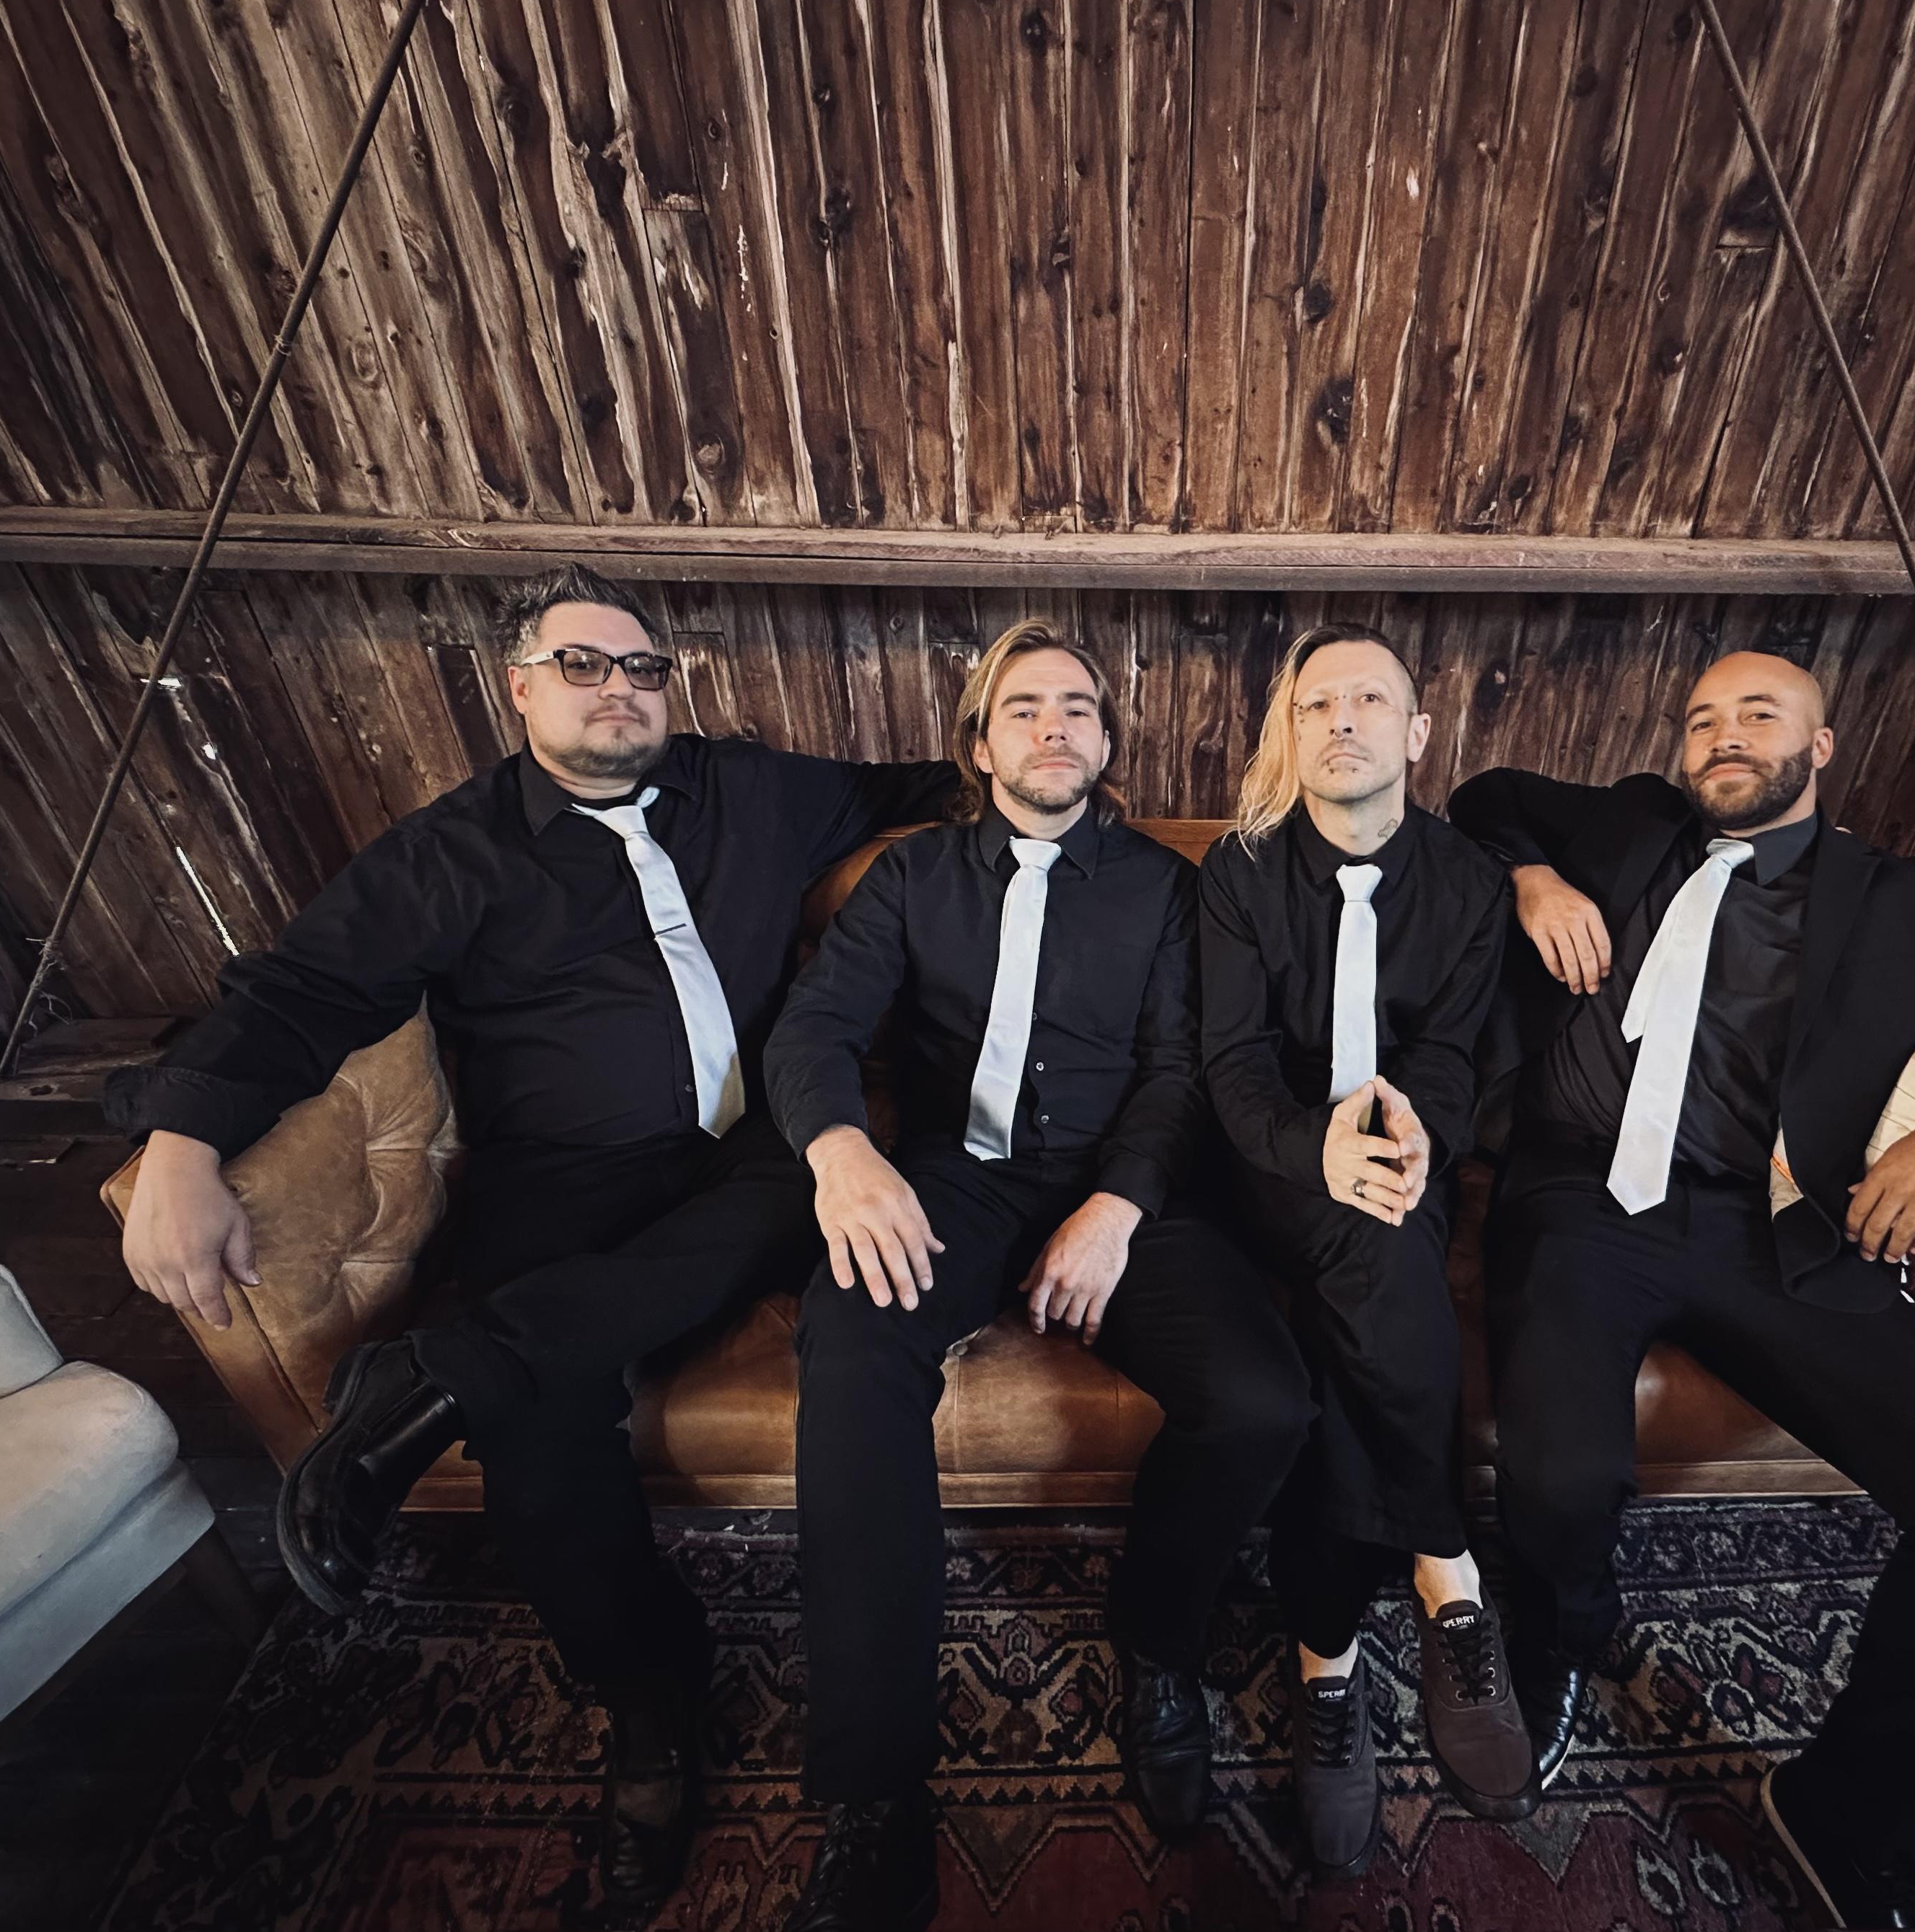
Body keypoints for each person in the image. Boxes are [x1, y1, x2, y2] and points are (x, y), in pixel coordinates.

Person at [106, 564, 955, 1911]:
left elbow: (925, 782)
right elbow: (299, 993)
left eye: (642, 667)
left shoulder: (754, 789)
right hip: (561, 1175)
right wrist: (180, 1142)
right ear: (517, 687)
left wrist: (1028, 785)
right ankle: (650, 1702)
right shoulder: (450, 852)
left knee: (795, 1192)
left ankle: (438, 1372)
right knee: (539, 1434)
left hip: (756, 1150)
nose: (619, 689)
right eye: (583, 665)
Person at [1448, 650, 1915, 1929]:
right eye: (1702, 719)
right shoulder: (1628, 824)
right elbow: (1485, 793)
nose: (1724, 736)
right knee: (1558, 1477)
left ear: (1820, 748)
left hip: (1767, 1225)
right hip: (1574, 1200)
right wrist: (1531, 876)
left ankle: (1845, 1816)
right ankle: (1555, 1636)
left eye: (1758, 715)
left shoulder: (1908, 902)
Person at [765, 621, 1314, 1931]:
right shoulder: (910, 878)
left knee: (1263, 1402)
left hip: (1115, 1186)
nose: (1053, 726)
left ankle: (1157, 1643)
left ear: (1107, 742)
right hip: (950, 1178)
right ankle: (874, 1792)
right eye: (1022, 708)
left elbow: (1182, 1069)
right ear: (978, 745)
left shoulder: (1168, 887)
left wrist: (1117, 1206)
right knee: (850, 1350)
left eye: (1077, 707)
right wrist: (841, 1152)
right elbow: (816, 1027)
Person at [1195, 623, 1531, 1879]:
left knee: (1368, 1281)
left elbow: (1445, 1052)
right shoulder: (1237, 871)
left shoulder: (1469, 882)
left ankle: (1324, 1662)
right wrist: (1313, 1149)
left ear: (1416, 731)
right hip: (1266, 1162)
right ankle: (1447, 1565)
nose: (1341, 720)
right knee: (1370, 1252)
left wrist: (1411, 1135)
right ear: (1289, 730)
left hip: (1397, 1160)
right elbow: (1230, 1063)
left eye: (1369, 700)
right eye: (1316, 703)